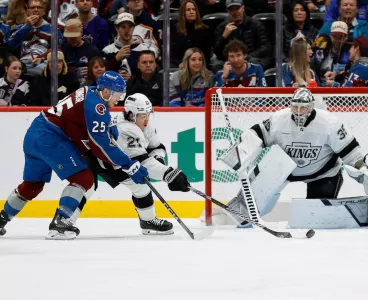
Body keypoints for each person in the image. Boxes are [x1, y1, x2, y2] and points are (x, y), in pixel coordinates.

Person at [0, 71, 149, 239]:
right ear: (106, 91)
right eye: (118, 95)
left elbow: (81, 124)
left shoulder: (89, 91)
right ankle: (60, 223)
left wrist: (106, 128)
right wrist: (129, 165)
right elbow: (101, 146)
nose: (118, 100)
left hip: (35, 133)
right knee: (84, 179)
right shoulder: (98, 107)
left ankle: (1, 219)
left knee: (32, 185)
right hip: (51, 138)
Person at [217, 88, 368, 227]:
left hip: (322, 173)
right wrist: (240, 152)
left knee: (314, 217)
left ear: (311, 107)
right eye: (295, 107)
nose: (299, 112)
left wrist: (362, 168)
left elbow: (350, 151)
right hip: (285, 169)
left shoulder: (330, 123)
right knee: (257, 191)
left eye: (303, 108)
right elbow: (257, 134)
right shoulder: (279, 120)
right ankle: (239, 211)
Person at [84, 93, 191, 234]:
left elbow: (157, 148)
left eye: (148, 115)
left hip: (122, 161)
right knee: (85, 187)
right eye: (142, 116)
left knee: (141, 188)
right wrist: (167, 174)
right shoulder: (125, 129)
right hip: (103, 161)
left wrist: (159, 161)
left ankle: (148, 222)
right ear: (130, 115)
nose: (146, 120)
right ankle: (64, 219)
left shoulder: (144, 126)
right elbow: (142, 162)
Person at [170, 0, 213, 69]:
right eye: (188, 10)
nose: (192, 12)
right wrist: (180, 63)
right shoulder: (175, 30)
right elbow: (173, 53)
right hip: (181, 65)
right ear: (183, 13)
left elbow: (206, 54)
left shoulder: (205, 29)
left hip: (200, 64)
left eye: (194, 9)